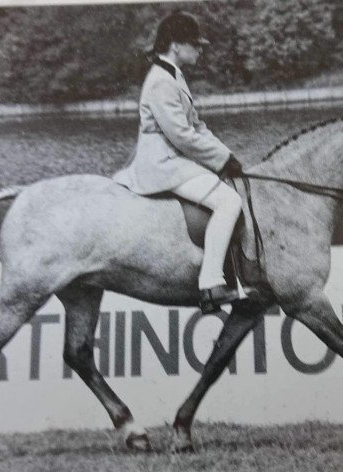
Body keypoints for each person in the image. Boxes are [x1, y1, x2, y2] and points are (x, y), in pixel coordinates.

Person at [113, 11, 256, 314]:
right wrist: (221, 159)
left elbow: (197, 126)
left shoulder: (173, 74)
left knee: (228, 187)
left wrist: (227, 155)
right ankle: (211, 284)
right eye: (195, 44)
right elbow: (181, 135)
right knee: (229, 202)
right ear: (176, 45)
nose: (200, 50)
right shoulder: (161, 82)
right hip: (163, 164)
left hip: (175, 158)